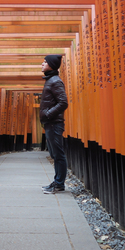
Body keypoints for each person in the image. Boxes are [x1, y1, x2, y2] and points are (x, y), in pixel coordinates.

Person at [40, 55, 69, 194]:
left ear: (52, 64)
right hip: (50, 123)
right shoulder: (51, 80)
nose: (42, 63)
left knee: (58, 154)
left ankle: (59, 184)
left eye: (45, 62)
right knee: (54, 154)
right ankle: (57, 182)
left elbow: (63, 102)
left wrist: (48, 114)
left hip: (54, 123)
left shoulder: (55, 81)